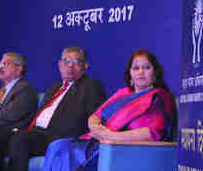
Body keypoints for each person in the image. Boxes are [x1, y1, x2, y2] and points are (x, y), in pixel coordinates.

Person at [41, 49, 174, 171]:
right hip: (99, 142)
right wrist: (95, 128)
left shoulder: (159, 96)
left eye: (146, 67)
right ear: (130, 75)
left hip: (123, 149)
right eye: (136, 68)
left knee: (69, 152)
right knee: (58, 146)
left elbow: (152, 133)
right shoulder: (123, 93)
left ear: (155, 73)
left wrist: (110, 137)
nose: (140, 72)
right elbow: (95, 116)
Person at [7, 46, 107, 171]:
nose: (70, 65)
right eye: (66, 61)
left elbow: (96, 117)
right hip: (37, 133)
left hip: (60, 138)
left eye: (76, 61)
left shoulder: (91, 86)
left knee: (21, 139)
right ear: (60, 65)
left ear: (85, 66)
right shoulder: (54, 88)